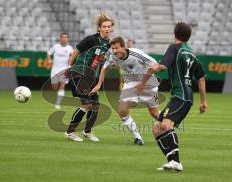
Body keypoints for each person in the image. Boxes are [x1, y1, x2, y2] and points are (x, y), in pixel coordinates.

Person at [136, 22, 207, 171]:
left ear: (174, 34)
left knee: (166, 126)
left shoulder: (174, 48)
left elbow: (162, 66)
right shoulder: (192, 53)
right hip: (185, 97)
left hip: (180, 97)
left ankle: (176, 162)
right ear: (188, 37)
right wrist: (203, 101)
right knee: (157, 128)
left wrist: (147, 77)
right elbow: (201, 77)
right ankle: (172, 162)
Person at [89, 36, 160, 145]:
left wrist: (144, 82)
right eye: (112, 48)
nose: (114, 51)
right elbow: (104, 68)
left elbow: (155, 64)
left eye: (117, 48)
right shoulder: (113, 56)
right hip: (131, 83)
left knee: (154, 113)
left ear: (123, 47)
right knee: (122, 110)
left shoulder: (136, 54)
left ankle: (169, 123)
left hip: (148, 82)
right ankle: (138, 138)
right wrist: (99, 85)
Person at [65, 12, 115, 142]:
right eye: (104, 26)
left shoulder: (107, 43)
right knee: (87, 105)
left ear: (112, 28)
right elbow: (76, 51)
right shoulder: (91, 39)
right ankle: (69, 132)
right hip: (79, 74)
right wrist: (69, 67)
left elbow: (99, 60)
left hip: (90, 78)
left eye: (109, 26)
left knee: (96, 106)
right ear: (99, 28)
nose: (107, 29)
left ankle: (87, 131)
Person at [47, 32, 73, 109]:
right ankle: (56, 97)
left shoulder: (69, 48)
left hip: (64, 69)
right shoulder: (55, 47)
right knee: (54, 87)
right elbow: (48, 53)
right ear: (60, 38)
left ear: (67, 39)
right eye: (63, 37)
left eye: (66, 37)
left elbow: (73, 56)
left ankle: (58, 104)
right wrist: (49, 60)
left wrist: (70, 62)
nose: (64, 39)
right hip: (55, 69)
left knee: (62, 86)